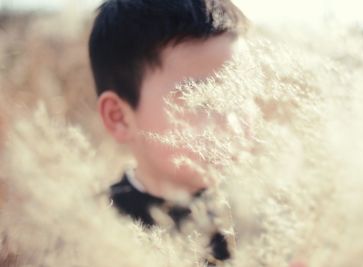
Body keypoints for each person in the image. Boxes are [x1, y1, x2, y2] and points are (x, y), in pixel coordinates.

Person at [88, 0, 246, 265]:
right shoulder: (89, 230)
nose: (232, 125)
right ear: (120, 118)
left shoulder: (264, 221)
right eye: (202, 102)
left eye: (242, 96)